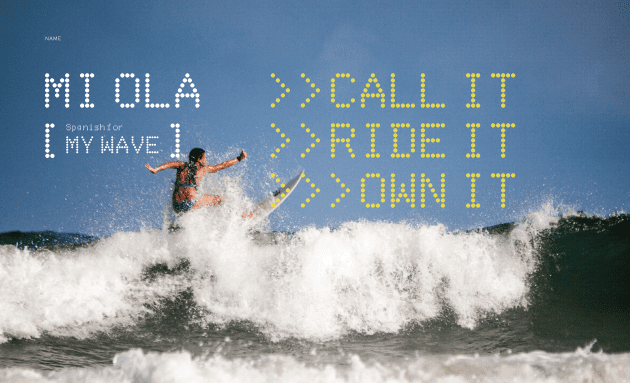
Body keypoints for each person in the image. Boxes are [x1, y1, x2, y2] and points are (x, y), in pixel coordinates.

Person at [146, 148, 248, 214]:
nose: (206, 160)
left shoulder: (181, 165)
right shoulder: (203, 169)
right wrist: (239, 158)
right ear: (199, 159)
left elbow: (168, 164)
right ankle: (242, 216)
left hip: (176, 206)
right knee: (220, 199)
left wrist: (155, 170)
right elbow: (223, 165)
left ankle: (179, 227)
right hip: (191, 204)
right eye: (204, 158)